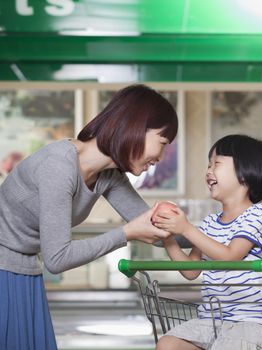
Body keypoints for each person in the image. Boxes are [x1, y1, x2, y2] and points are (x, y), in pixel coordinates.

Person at [0, 84, 178, 350]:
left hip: (24, 272)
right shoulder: (59, 166)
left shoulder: (108, 175)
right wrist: (126, 234)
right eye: (162, 143)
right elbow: (57, 259)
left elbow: (156, 231)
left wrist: (224, 239)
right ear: (135, 127)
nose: (161, 157)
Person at [152, 134, 262, 350]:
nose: (208, 171)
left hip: (250, 322)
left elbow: (231, 256)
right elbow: (192, 270)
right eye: (208, 164)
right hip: (212, 319)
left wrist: (186, 228)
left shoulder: (258, 214)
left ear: (244, 172)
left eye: (216, 163)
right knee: (167, 344)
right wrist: (169, 237)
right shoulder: (209, 223)